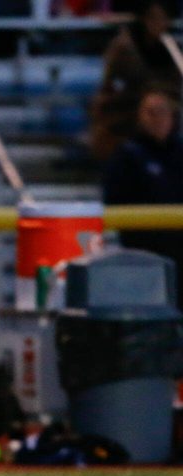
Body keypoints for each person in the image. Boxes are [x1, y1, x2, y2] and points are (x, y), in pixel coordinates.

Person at [104, 89, 183, 305]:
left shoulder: (179, 152)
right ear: (139, 116)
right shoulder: (128, 155)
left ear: (172, 116)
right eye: (150, 112)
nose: (157, 118)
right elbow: (114, 200)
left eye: (162, 112)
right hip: (143, 254)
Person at [90, 0, 179, 161]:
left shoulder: (172, 48)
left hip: (166, 110)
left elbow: (176, 86)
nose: (158, 24)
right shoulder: (123, 48)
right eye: (153, 18)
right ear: (144, 18)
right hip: (126, 111)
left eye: (163, 18)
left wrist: (161, 100)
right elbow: (112, 86)